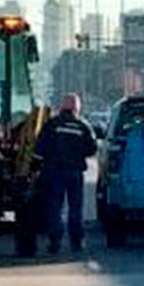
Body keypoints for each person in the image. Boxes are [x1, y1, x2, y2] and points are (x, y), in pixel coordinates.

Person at [33, 93, 97, 254]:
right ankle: (77, 242)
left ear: (62, 107)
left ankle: (55, 241)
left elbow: (39, 147)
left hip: (53, 171)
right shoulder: (83, 125)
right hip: (74, 172)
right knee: (75, 208)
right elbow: (92, 148)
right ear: (77, 108)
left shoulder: (52, 124)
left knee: (55, 207)